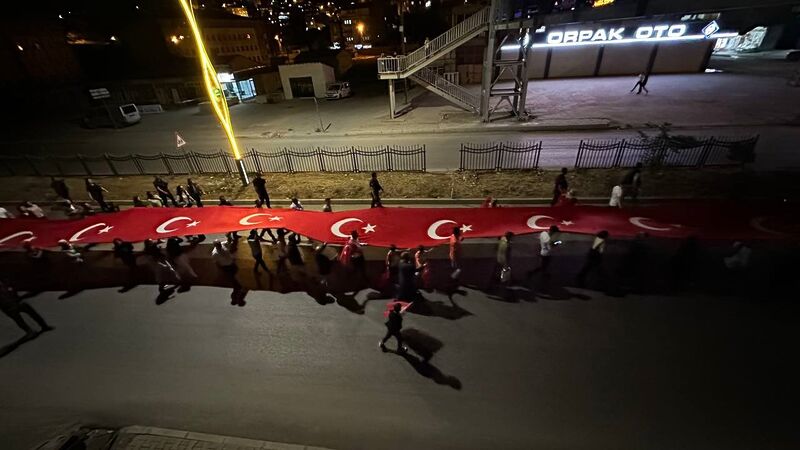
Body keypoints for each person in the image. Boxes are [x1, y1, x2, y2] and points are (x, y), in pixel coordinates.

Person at [212, 237, 244, 305]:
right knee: (232, 278)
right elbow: (216, 262)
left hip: (231, 264)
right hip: (226, 267)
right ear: (215, 246)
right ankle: (237, 288)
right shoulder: (215, 253)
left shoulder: (223, 244)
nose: (220, 245)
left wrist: (229, 234)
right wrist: (219, 270)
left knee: (234, 274)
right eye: (218, 245)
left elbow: (228, 241)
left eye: (219, 244)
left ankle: (237, 287)